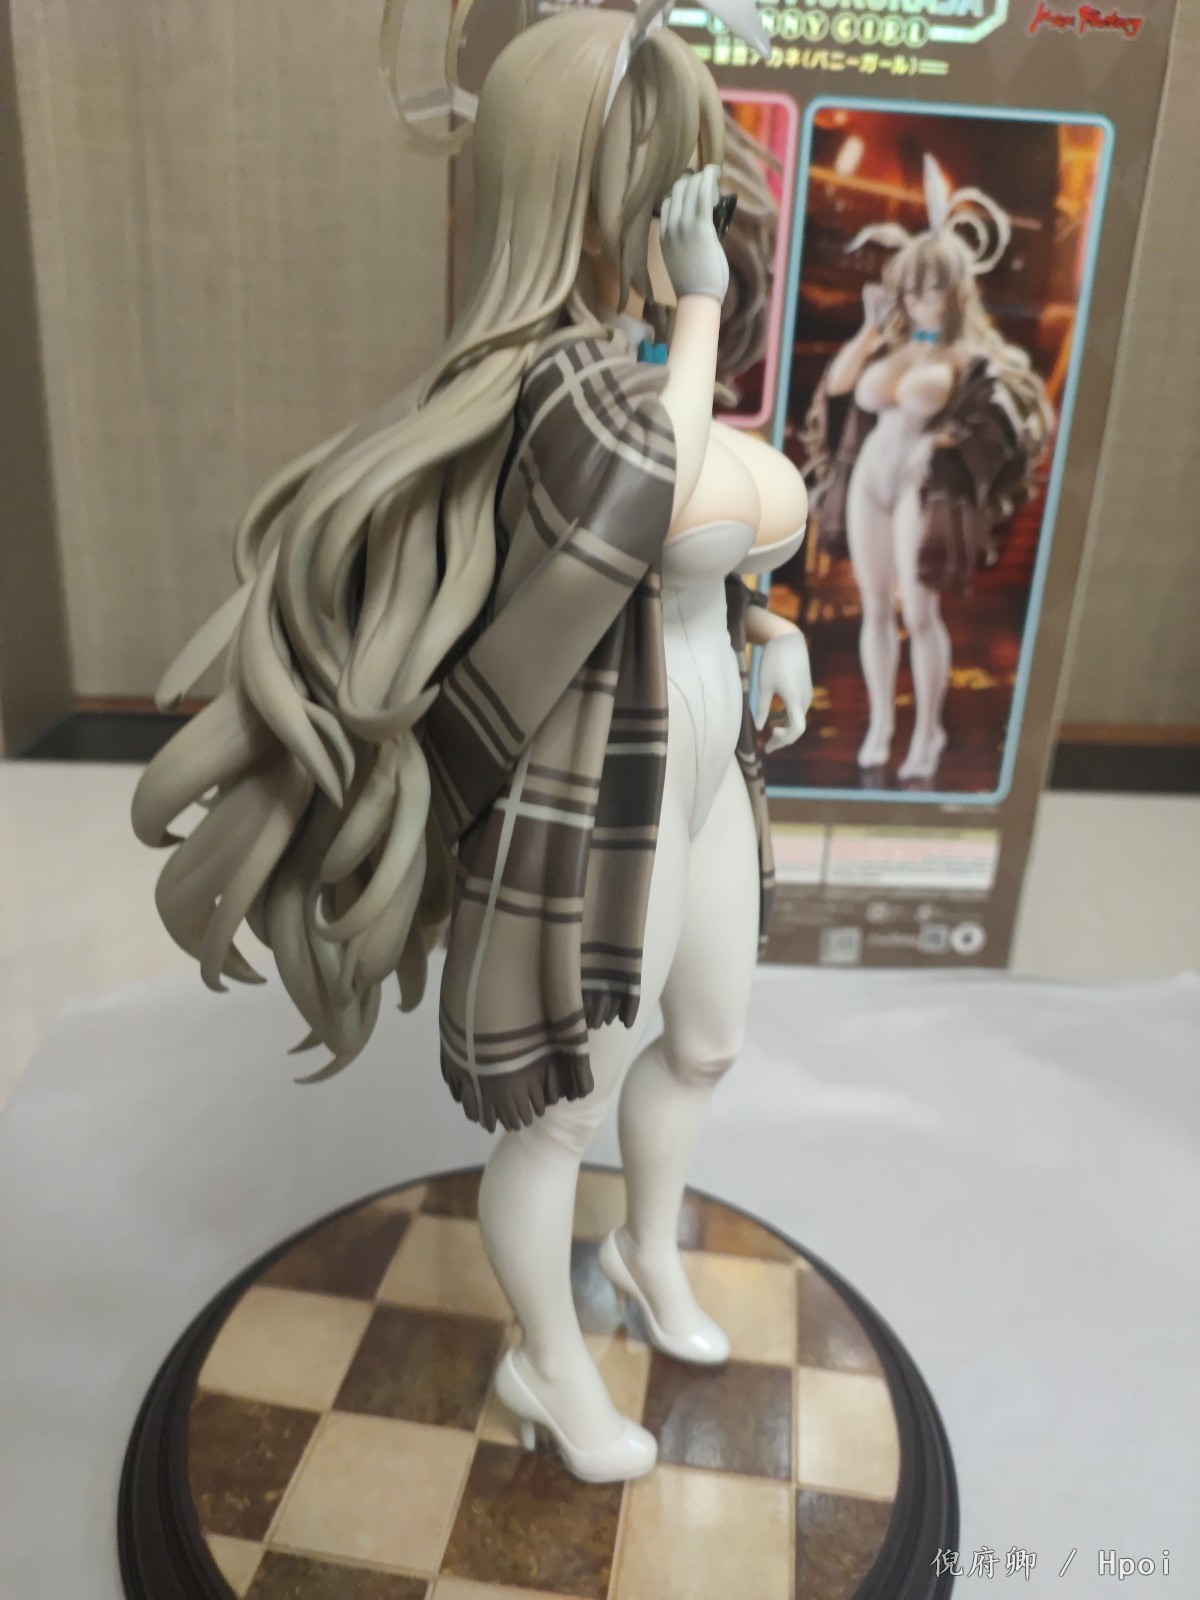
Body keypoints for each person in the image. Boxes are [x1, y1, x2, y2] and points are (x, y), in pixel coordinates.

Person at [132, 0, 812, 1482]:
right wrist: (700, 314)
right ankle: (547, 1362)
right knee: (560, 1117)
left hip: (708, 765)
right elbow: (648, 505)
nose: (681, 206)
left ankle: (645, 1252)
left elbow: (707, 553)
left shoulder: (635, 352)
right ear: (570, 180)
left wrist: (771, 628)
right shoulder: (560, 382)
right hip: (608, 789)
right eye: (648, 168)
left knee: (708, 1040)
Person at [805, 155, 1053, 781]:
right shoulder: (888, 344)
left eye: (932, 289)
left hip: (923, 486)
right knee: (875, 609)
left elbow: (1006, 420)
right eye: (911, 290)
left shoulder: (972, 356)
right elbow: (839, 388)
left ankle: (929, 731)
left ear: (956, 291)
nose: (920, 301)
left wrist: (945, 442)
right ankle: (882, 726)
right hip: (870, 479)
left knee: (919, 614)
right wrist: (868, 331)